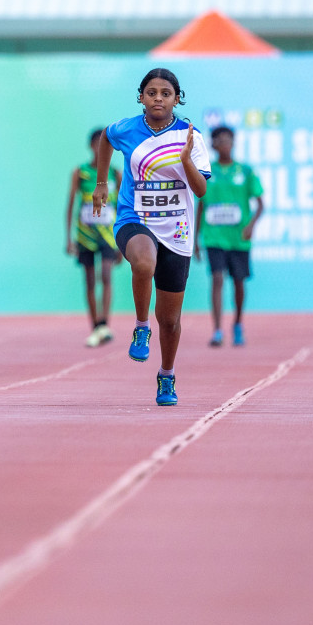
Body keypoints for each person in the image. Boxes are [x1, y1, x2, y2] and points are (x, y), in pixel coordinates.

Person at [91, 67, 210, 407]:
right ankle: (141, 325)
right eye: (152, 92)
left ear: (176, 99)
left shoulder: (191, 136)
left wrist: (186, 160)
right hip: (135, 218)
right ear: (141, 96)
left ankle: (167, 375)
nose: (158, 98)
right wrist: (102, 183)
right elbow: (105, 138)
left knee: (170, 321)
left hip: (177, 231)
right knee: (144, 261)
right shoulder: (127, 129)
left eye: (166, 93)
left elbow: (200, 190)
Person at [196, 125, 265, 348]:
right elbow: (200, 206)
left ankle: (237, 323)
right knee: (216, 279)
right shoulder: (206, 172)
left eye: (228, 140)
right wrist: (195, 239)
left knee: (238, 282)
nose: (224, 144)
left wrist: (251, 225)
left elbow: (260, 204)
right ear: (213, 144)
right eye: (219, 140)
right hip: (214, 237)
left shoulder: (245, 171)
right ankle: (217, 330)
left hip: (238, 238)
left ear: (234, 142)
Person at [67, 129, 122, 347]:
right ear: (90, 146)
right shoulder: (80, 173)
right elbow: (71, 205)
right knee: (89, 279)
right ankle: (95, 326)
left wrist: (122, 240)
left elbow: (122, 206)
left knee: (106, 275)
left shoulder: (115, 174)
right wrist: (69, 239)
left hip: (108, 235)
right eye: (97, 144)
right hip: (85, 235)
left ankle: (104, 323)